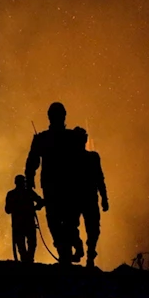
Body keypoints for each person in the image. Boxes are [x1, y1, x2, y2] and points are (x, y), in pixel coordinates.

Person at [25, 102, 87, 264]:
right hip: (67, 186)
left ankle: (65, 252)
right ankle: (66, 252)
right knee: (64, 221)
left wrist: (30, 178)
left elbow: (32, 161)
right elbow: (32, 161)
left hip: (57, 186)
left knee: (58, 221)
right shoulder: (71, 137)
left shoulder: (43, 138)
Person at [77, 141, 109, 268]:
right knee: (71, 227)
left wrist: (104, 198)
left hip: (88, 199)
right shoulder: (70, 159)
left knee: (93, 229)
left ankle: (89, 255)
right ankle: (79, 249)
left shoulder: (93, 157)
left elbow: (99, 178)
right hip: (78, 199)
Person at [5, 174, 45, 263]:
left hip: (19, 223)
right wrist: (34, 208)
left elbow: (7, 210)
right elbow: (41, 202)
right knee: (30, 243)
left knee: (22, 244)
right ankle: (28, 260)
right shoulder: (29, 192)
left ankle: (26, 260)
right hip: (27, 223)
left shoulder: (12, 194)